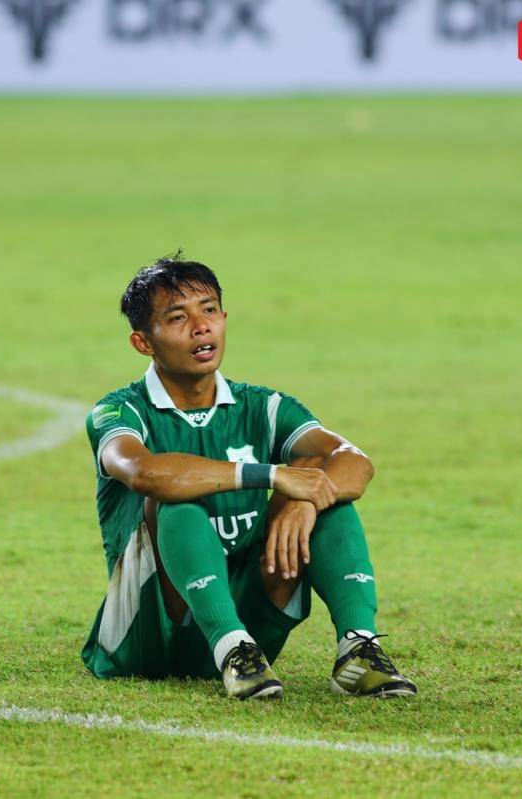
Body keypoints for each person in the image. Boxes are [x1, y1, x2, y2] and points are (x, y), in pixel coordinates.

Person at [81, 255, 417, 699]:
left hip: (255, 637)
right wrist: (273, 475)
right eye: (178, 317)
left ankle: (358, 649)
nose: (201, 326)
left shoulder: (265, 406)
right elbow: (145, 472)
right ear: (143, 342)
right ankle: (228, 642)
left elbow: (355, 462)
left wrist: (305, 498)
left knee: (323, 487)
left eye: (209, 309)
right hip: (148, 637)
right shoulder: (119, 410)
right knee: (175, 497)